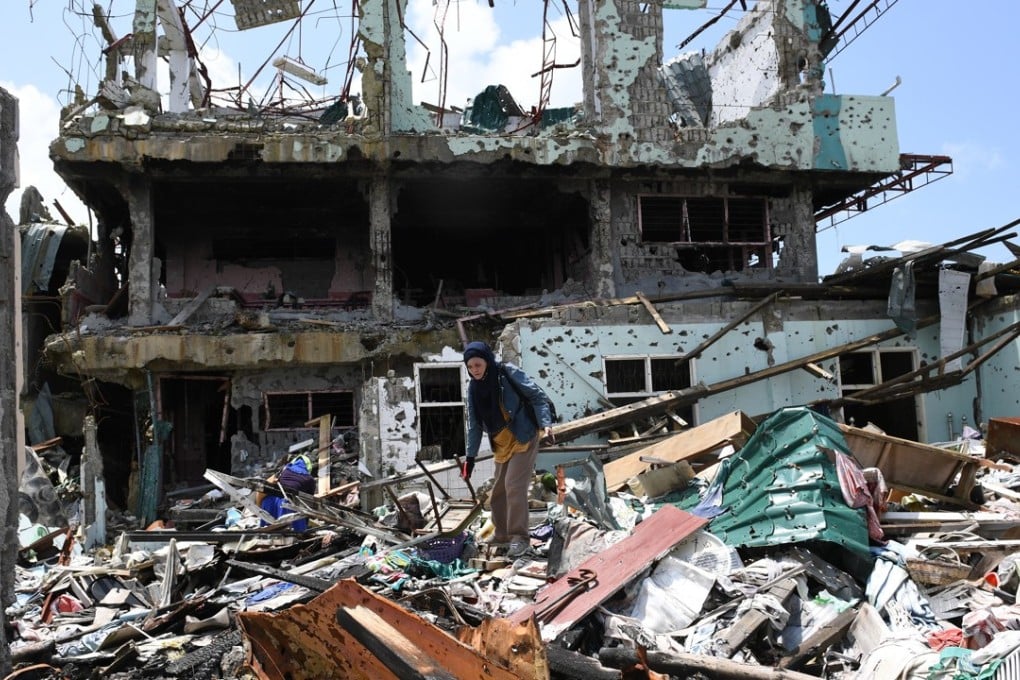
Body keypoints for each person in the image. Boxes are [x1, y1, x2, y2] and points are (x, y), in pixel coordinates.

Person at [461, 341, 553, 558]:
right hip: (501, 443)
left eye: (478, 364)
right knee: (498, 493)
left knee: (514, 486)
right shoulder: (474, 388)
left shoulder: (506, 372)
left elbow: (537, 396)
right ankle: (502, 535)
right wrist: (470, 458)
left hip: (523, 434)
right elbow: (474, 425)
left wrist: (545, 423)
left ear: (487, 361)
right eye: (470, 367)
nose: (475, 370)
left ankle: (520, 538)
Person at [258, 453, 316, 531]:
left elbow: (267, 484)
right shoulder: (310, 479)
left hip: (272, 502)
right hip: (289, 503)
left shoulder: (285, 469)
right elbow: (309, 501)